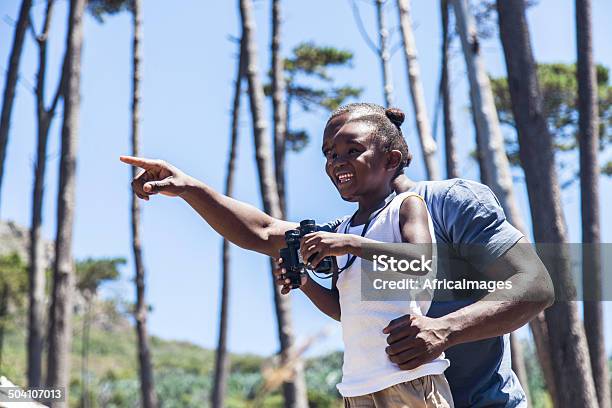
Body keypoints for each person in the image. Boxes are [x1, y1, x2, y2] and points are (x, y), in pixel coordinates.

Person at [120, 102, 553, 408]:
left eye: (350, 150)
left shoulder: (448, 203)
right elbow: (265, 231)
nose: (335, 162)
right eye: (329, 154)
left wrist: (444, 330)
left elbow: (534, 287)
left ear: (392, 158)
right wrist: (190, 187)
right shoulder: (345, 231)